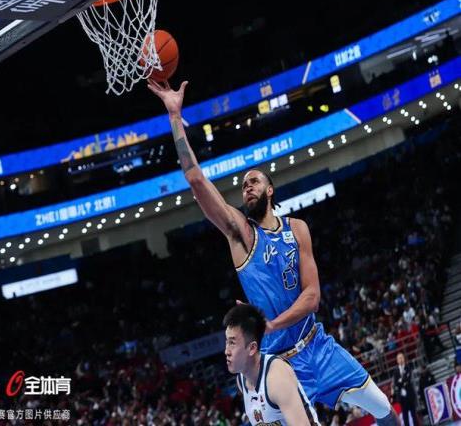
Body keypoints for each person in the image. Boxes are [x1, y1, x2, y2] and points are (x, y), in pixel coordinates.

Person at [148, 79, 397, 425]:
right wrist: (175, 116)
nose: (246, 187)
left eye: (254, 181)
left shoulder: (298, 229)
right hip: (280, 366)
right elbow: (196, 180)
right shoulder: (241, 235)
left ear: (270, 190)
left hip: (318, 346)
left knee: (383, 407)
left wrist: (272, 323)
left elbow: (312, 297)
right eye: (242, 185)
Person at [223, 303, 318, 425]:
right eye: (227, 342)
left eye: (232, 343)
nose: (226, 351)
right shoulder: (241, 381)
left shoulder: (277, 379)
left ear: (252, 348)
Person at [391, 353, 417, 426]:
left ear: (404, 358)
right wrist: (402, 381)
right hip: (402, 398)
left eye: (402, 357)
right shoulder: (395, 371)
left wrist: (401, 381)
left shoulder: (408, 367)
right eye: (399, 358)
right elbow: (396, 383)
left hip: (410, 395)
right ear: (397, 360)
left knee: (414, 414)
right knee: (405, 416)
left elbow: (408, 379)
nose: (401, 359)